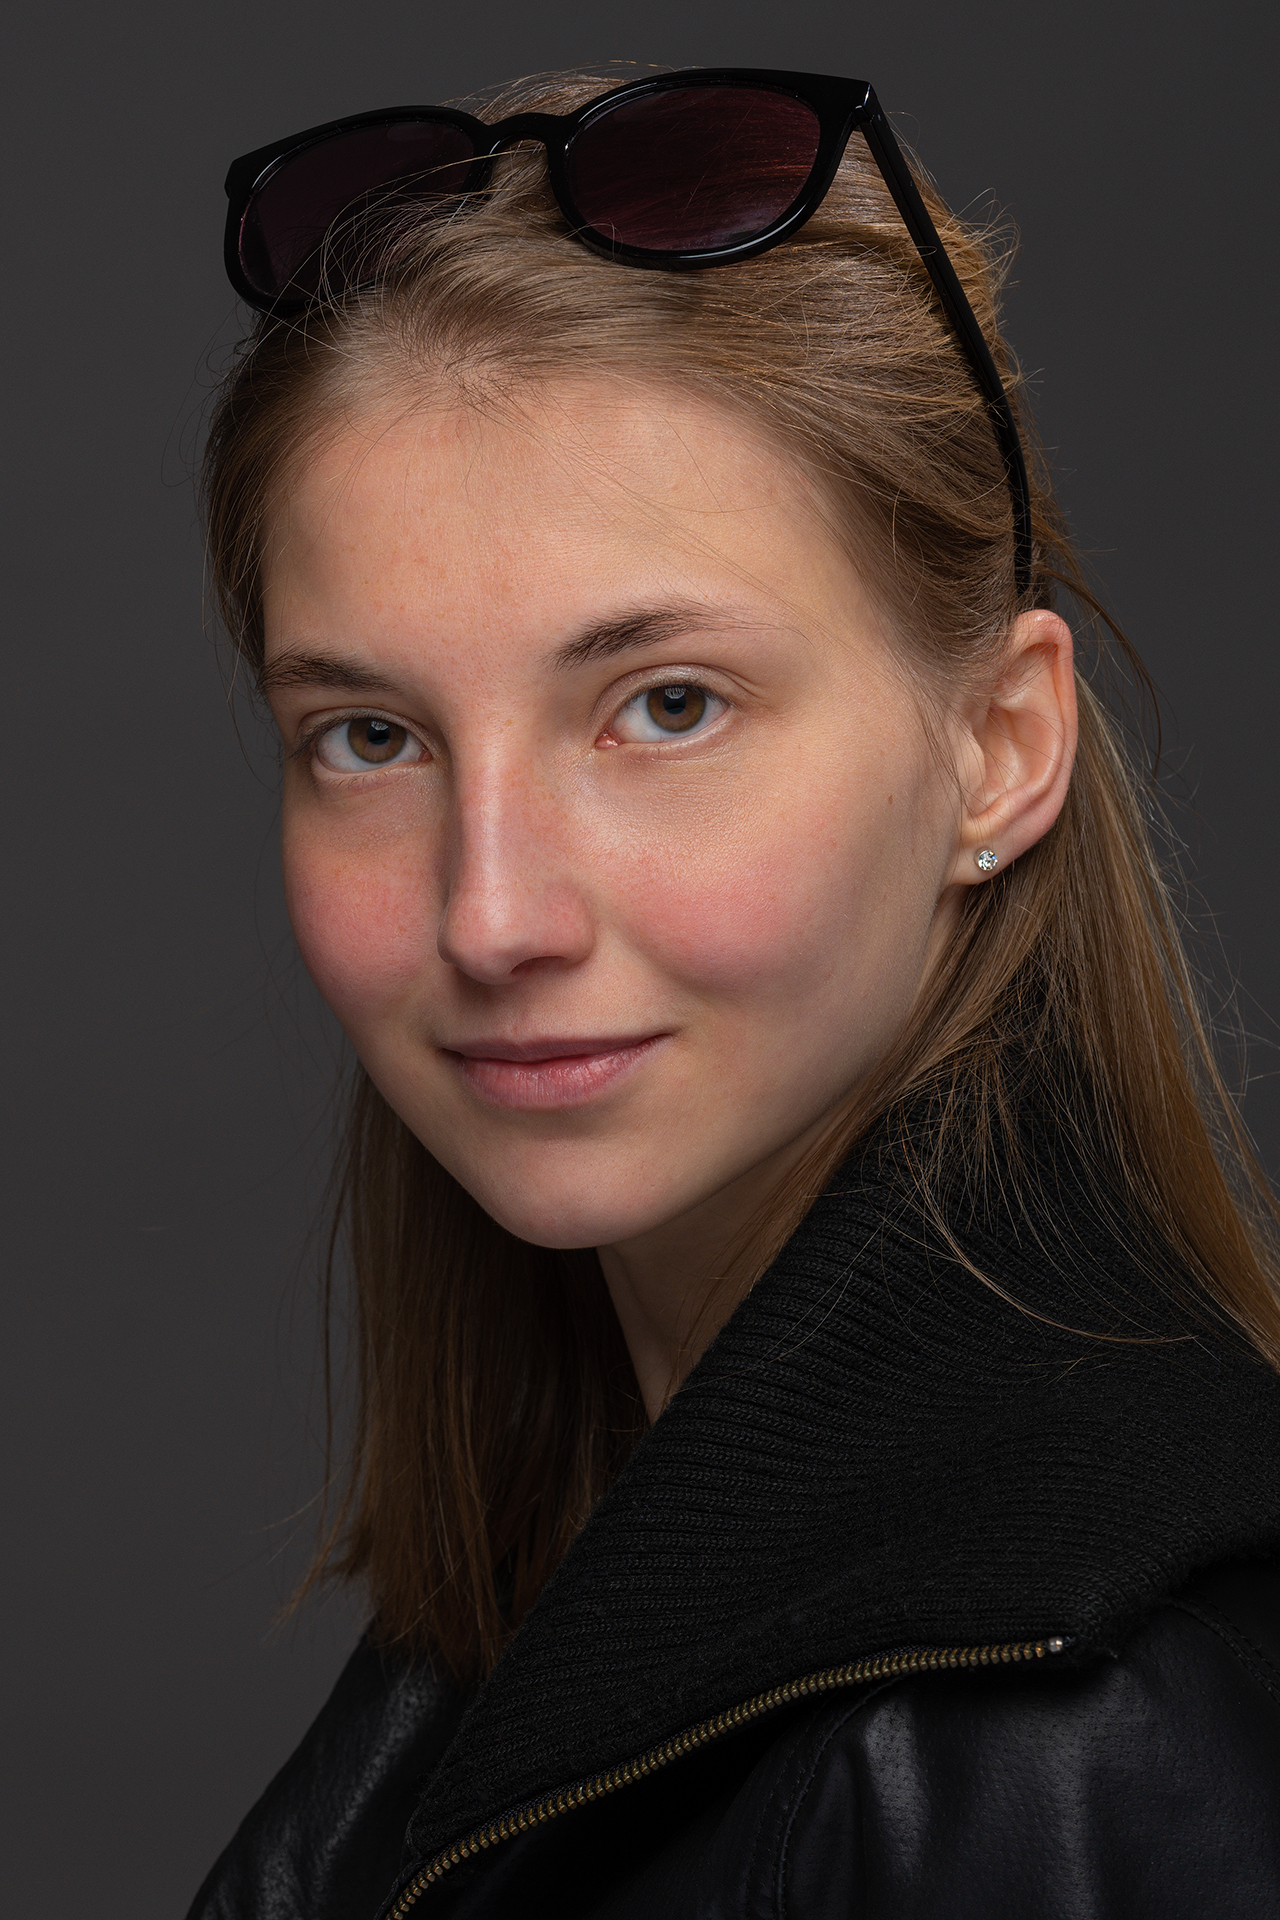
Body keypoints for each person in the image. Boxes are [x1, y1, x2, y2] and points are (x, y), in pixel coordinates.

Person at [188, 66, 1280, 1920]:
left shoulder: (1059, 1727)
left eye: (667, 705)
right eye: (371, 736)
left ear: (1000, 746)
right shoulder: (603, 1565)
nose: (491, 914)